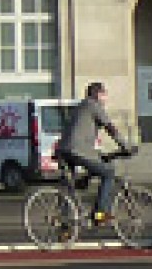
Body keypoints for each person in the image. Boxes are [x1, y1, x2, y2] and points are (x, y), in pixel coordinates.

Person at [56, 81, 132, 221]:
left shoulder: (80, 107)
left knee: (68, 188)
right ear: (98, 94)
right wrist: (125, 146)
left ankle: (64, 227)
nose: (106, 98)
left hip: (63, 150)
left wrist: (102, 154)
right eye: (105, 94)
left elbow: (80, 132)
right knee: (108, 173)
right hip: (77, 150)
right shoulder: (94, 106)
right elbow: (110, 128)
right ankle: (100, 212)